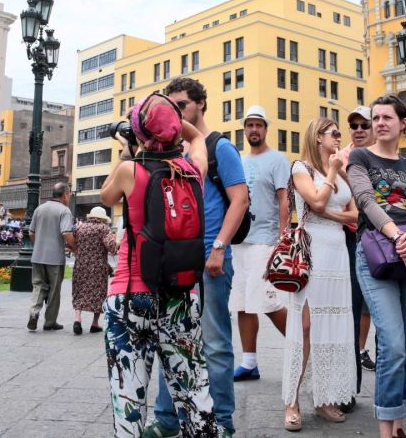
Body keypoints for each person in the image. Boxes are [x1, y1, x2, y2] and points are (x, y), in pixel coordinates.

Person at [100, 92, 220, 437]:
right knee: (194, 388)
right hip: (179, 295)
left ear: (139, 132)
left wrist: (129, 145)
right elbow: (196, 136)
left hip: (130, 294)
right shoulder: (194, 169)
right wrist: (166, 119)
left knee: (129, 396)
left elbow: (107, 197)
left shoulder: (128, 170)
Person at [148, 77, 248, 438]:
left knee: (215, 341)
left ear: (200, 104)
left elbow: (240, 200)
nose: (175, 112)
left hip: (210, 256)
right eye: (170, 106)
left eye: (181, 105)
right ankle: (167, 419)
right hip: (173, 259)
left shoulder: (219, 147)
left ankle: (222, 421)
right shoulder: (170, 148)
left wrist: (220, 247)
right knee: (169, 338)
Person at [349, 94, 406, 438]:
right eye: (374, 118)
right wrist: (398, 236)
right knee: (392, 343)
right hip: (377, 253)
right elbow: (365, 200)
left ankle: (398, 424)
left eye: (386, 118)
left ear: (402, 123)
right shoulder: (360, 156)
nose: (378, 123)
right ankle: (385, 431)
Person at [284, 117, 359, 431]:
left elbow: (354, 213)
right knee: (306, 325)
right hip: (311, 252)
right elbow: (313, 200)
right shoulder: (301, 168)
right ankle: (293, 400)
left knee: (334, 325)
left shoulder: (342, 173)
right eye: (334, 133)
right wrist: (329, 173)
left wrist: (329, 212)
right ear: (318, 138)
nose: (340, 137)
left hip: (337, 253)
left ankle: (327, 397)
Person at [231, 105, 289, 382]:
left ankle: (304, 347)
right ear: (245, 130)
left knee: (267, 301)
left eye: (259, 125)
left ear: (266, 129)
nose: (254, 130)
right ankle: (249, 363)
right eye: (249, 125)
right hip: (240, 241)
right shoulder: (239, 162)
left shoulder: (278, 160)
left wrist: (283, 237)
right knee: (242, 303)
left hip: (266, 241)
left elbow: (284, 199)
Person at [341, 105, 376, 405]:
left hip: (383, 243)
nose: (359, 129)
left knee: (383, 320)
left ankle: (392, 393)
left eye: (365, 124)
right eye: (354, 125)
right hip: (350, 242)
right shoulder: (340, 159)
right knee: (351, 315)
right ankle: (350, 387)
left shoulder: (385, 158)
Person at [27, 183, 75, 331]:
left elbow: (31, 233)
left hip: (37, 256)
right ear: (65, 194)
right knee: (54, 291)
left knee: (38, 286)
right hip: (55, 258)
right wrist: (75, 247)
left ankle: (34, 313)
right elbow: (66, 233)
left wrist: (40, 244)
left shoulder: (39, 208)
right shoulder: (64, 211)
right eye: (69, 195)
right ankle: (50, 322)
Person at [70, 205, 117, 334]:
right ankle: (95, 323)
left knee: (79, 290)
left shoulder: (80, 227)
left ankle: (77, 319)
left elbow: (70, 243)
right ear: (102, 218)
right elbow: (112, 248)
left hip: (80, 265)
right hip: (98, 267)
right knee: (99, 293)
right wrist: (115, 240)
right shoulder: (103, 228)